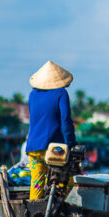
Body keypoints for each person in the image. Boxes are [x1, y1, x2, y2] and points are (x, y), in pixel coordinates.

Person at [26, 60, 76, 201]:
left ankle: (33, 213)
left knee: (36, 185)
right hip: (54, 149)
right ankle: (63, 208)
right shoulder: (61, 93)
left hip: (34, 148)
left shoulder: (32, 95)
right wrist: (70, 143)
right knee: (68, 180)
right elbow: (66, 121)